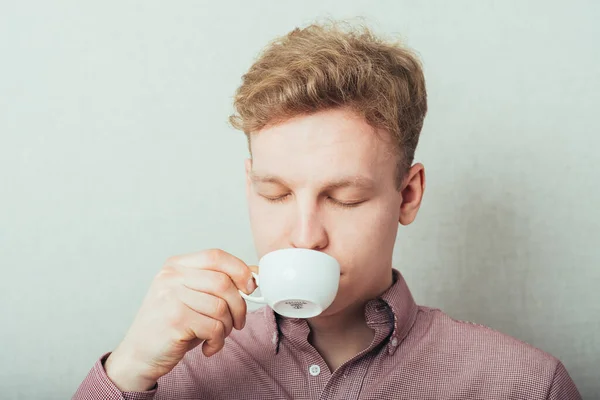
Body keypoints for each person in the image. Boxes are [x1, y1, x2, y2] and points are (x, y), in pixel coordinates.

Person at [73, 21, 581, 400]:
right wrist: (125, 371)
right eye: (275, 193)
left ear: (408, 195)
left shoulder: (526, 385)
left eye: (344, 198)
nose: (303, 235)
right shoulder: (173, 365)